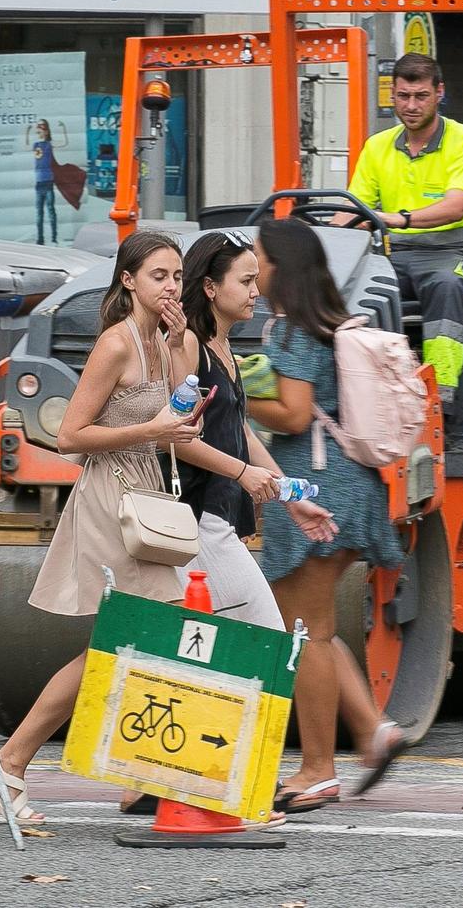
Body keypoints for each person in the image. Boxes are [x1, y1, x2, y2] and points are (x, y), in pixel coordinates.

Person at [0, 229, 203, 825]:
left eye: (177, 276)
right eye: (158, 276)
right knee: (133, 637)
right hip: (109, 497)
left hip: (146, 493)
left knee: (134, 640)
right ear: (128, 281)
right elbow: (70, 434)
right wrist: (150, 432)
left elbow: (184, 412)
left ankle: (27, 766)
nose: (171, 287)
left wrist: (181, 347)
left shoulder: (165, 341)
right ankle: (19, 764)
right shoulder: (116, 344)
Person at [248, 219, 413, 814]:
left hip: (322, 489)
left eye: (261, 260)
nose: (253, 270)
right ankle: (374, 731)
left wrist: (231, 395)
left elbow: (292, 416)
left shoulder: (293, 332)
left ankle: (317, 770)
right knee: (316, 626)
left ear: (282, 268)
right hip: (351, 484)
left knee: (305, 634)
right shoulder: (326, 324)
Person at [174, 229, 317, 632]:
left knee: (203, 652)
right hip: (197, 520)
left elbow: (241, 433)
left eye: (256, 280)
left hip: (216, 518)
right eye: (245, 281)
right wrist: (241, 473)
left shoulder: (223, 349)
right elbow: (177, 436)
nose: (257, 291)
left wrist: (288, 494)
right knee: (266, 638)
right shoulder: (188, 345)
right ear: (210, 287)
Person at [347, 52, 463, 408]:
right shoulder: (377, 147)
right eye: (403, 96)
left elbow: (456, 206)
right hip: (394, 257)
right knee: (344, 284)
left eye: (420, 96)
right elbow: (352, 210)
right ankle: (363, 393)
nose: (410, 106)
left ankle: (437, 398)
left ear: (439, 93)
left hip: (460, 256)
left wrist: (397, 218)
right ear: (392, 95)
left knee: (447, 283)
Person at [30, 118, 66, 245]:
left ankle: (53, 238)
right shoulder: (36, 145)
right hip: (39, 183)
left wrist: (63, 129)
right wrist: (27, 133)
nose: (40, 131)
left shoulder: (49, 144)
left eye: (43, 128)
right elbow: (26, 145)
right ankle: (40, 239)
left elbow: (63, 142)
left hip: (48, 181)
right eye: (39, 128)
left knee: (50, 211)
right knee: (40, 212)